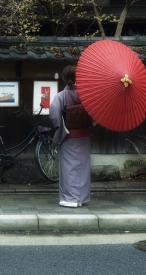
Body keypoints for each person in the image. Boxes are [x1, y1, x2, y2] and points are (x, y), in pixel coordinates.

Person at [49, 65, 91, 207]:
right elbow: (94, 115)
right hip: (83, 136)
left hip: (68, 136)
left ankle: (70, 199)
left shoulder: (60, 97)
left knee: (69, 168)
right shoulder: (86, 96)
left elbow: (55, 115)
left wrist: (59, 133)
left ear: (63, 78)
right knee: (82, 168)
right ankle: (81, 198)